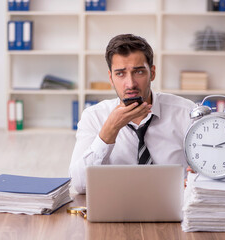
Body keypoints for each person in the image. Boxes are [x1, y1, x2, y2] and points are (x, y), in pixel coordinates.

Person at [69, 34, 196, 194]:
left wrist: (198, 180)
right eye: (120, 74)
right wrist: (110, 130)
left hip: (175, 210)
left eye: (139, 72)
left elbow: (211, 173)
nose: (130, 84)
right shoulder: (94, 117)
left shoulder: (186, 113)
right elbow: (79, 185)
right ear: (111, 77)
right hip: (116, 211)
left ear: (152, 73)